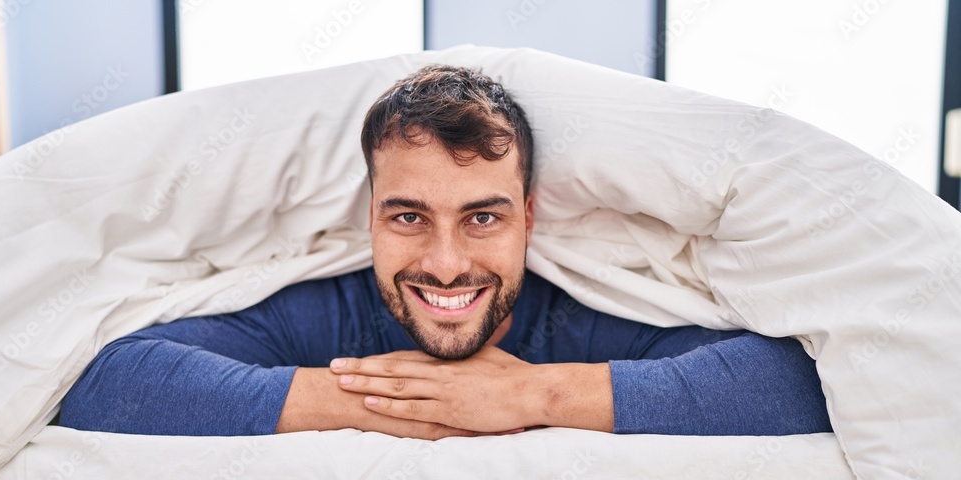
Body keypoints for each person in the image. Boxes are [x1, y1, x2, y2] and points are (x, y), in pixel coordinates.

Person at [58, 65, 832, 439]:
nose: (447, 262)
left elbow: (799, 382)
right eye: (408, 217)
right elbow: (110, 379)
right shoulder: (332, 308)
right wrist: (384, 401)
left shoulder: (583, 316)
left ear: (530, 218)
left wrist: (534, 396)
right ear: (369, 217)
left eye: (484, 217)